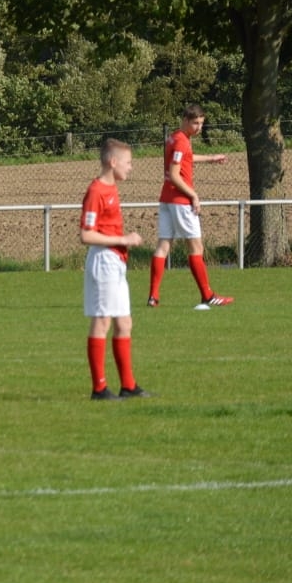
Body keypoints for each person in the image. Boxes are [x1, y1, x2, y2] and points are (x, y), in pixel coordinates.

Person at [80, 139, 149, 400]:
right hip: (104, 261)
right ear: (113, 162)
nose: (131, 167)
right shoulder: (96, 191)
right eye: (128, 162)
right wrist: (123, 239)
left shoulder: (112, 188)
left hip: (116, 262)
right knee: (102, 321)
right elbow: (86, 235)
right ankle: (99, 389)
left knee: (124, 322)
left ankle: (128, 386)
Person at [147, 105, 232, 308]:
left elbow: (185, 157)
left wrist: (211, 158)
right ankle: (208, 295)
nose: (199, 127)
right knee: (196, 247)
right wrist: (193, 195)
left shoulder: (174, 137)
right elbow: (174, 174)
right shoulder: (181, 142)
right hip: (181, 201)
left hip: (166, 199)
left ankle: (153, 297)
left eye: (201, 123)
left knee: (163, 246)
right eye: (195, 123)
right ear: (185, 119)